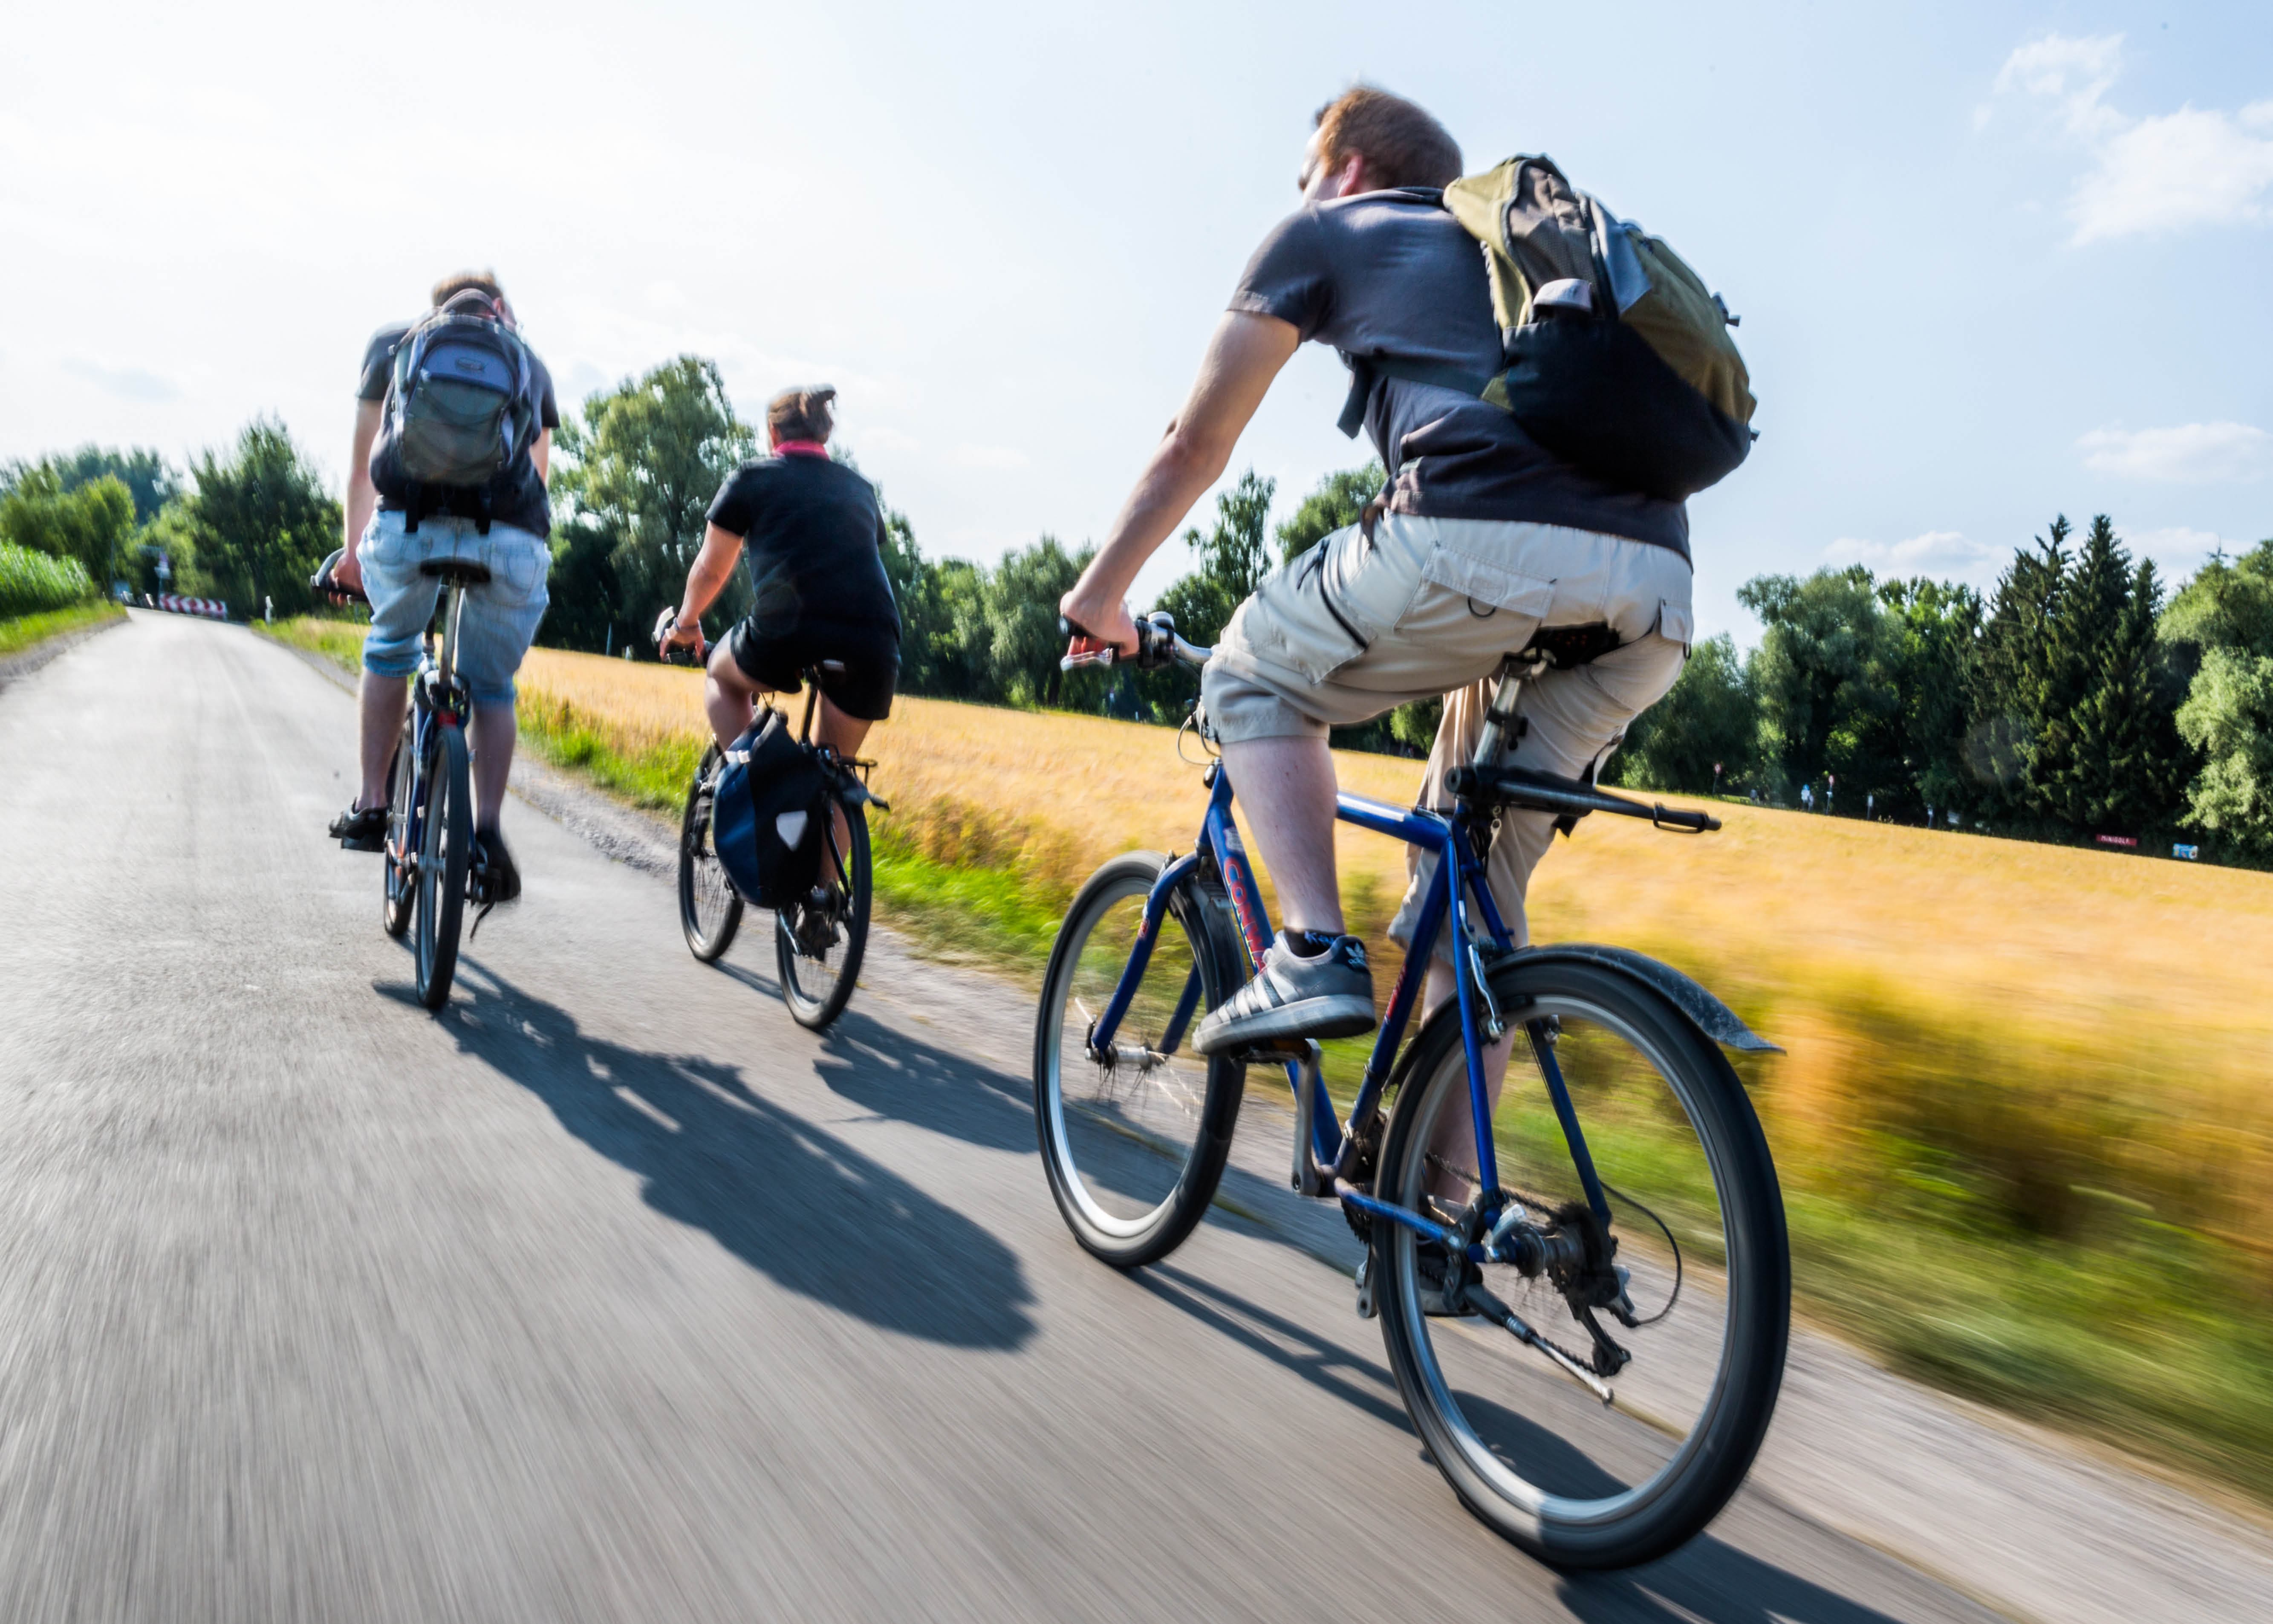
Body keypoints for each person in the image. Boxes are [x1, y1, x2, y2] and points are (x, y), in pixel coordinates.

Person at [1057, 87, 1695, 1058]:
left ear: (1345, 167)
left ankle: (1311, 948)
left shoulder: (1327, 228)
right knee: (1470, 917)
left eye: (1307, 175)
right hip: (1654, 592)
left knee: (1245, 671)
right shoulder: (1513, 259)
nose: (1305, 192)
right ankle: (1446, 1207)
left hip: (1474, 532)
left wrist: (1097, 596)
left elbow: (1194, 443)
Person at [326, 270, 559, 907]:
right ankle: (484, 829)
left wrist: (352, 559)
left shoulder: (394, 346)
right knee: (491, 687)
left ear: (434, 312)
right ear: (502, 311)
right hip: (508, 541)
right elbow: (535, 481)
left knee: (392, 647)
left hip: (408, 527)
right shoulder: (529, 364)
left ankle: (374, 804)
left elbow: (362, 469)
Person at [657, 384, 901, 780]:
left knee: (720, 674)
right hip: (874, 643)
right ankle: (826, 821)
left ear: (773, 433)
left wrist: (685, 625)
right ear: (823, 434)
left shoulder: (753, 478)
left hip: (788, 630)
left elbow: (711, 570)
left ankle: (756, 785)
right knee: (835, 775)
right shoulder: (860, 490)